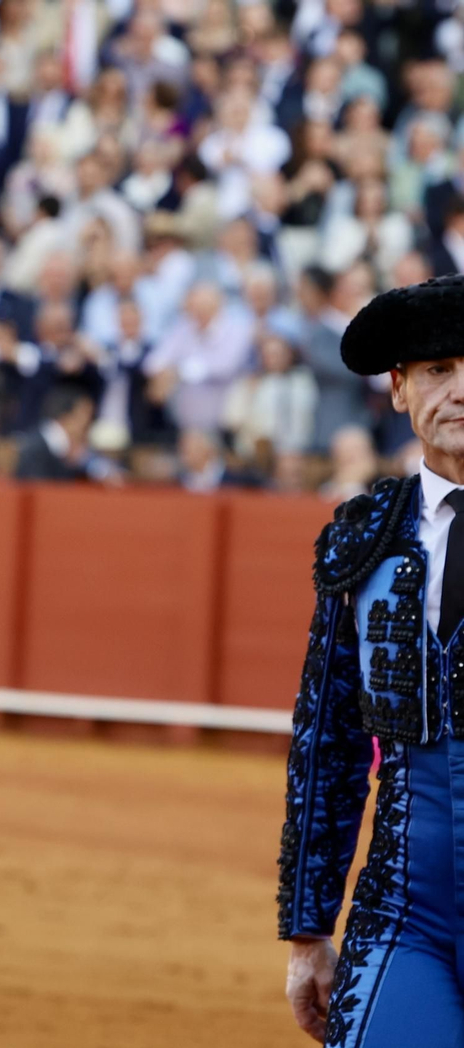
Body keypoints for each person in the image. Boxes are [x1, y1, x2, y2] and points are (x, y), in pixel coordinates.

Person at [279, 273, 464, 1047]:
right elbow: (327, 741)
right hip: (404, 912)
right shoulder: (364, 537)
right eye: (437, 370)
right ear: (398, 389)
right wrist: (308, 929)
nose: (459, 391)